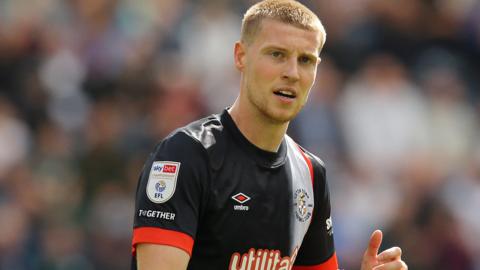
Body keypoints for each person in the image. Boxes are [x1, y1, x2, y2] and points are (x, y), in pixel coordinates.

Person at [131, 0, 408, 269]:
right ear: (241, 56)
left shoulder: (311, 175)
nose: (292, 73)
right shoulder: (185, 156)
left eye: (305, 60)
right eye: (277, 54)